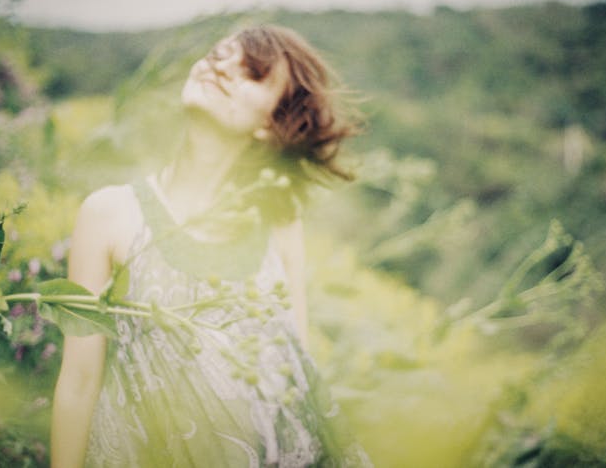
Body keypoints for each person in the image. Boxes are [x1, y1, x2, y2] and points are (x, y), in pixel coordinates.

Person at [50, 25, 370, 467]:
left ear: (271, 125)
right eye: (220, 53)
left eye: (252, 73)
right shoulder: (109, 214)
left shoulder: (279, 221)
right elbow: (78, 382)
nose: (221, 65)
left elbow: (295, 374)